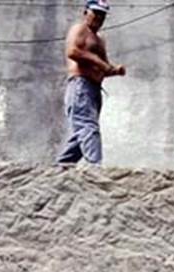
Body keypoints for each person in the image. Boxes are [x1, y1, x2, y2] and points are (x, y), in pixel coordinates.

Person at [57, 0, 126, 167]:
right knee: (88, 128)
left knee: (82, 133)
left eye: (102, 15)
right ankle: (95, 168)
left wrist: (115, 70)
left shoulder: (100, 39)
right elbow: (73, 52)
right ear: (86, 12)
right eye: (96, 13)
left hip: (94, 91)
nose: (99, 18)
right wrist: (99, 63)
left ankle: (61, 167)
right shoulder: (80, 29)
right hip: (80, 86)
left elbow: (104, 68)